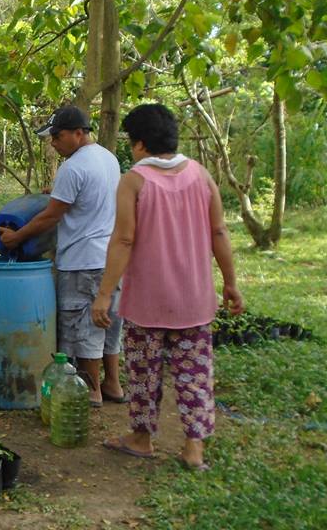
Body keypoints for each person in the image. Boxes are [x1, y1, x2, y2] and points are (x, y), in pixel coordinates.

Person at [92, 104, 243, 471]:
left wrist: (104, 293)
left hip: (147, 301)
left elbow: (124, 240)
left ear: (140, 143)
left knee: (144, 372)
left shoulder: (134, 181)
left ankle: (141, 439)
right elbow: (219, 231)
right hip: (194, 300)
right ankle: (194, 449)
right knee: (194, 373)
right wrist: (231, 282)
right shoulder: (201, 175)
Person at [0, 105, 124, 406]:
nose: (53, 142)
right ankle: (113, 385)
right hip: (109, 258)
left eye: (57, 135)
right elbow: (89, 199)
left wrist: (17, 236)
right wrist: (56, 192)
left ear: (79, 133)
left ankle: (90, 391)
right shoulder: (108, 158)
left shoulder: (74, 167)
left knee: (83, 325)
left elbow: (49, 217)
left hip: (82, 260)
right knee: (108, 322)